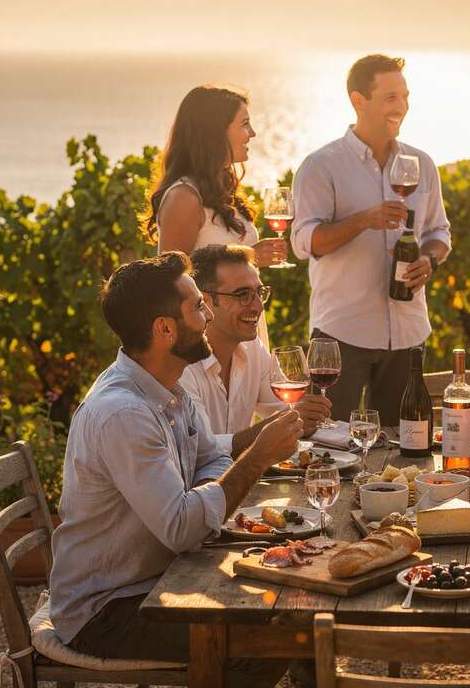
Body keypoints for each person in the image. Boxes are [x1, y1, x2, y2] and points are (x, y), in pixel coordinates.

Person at [48, 251, 300, 685]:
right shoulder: (123, 414)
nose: (206, 316)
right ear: (165, 329)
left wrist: (202, 495)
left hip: (158, 576)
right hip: (108, 608)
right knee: (275, 633)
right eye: (196, 307)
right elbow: (183, 529)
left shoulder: (170, 387)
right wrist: (257, 457)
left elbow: (211, 458)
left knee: (293, 602)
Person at [291, 54, 452, 423]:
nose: (402, 107)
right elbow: (306, 242)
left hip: (409, 332)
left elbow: (439, 232)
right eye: (391, 98)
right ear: (357, 100)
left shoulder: (421, 164)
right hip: (341, 336)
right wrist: (365, 219)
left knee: (403, 448)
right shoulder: (321, 166)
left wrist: (429, 259)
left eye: (405, 97)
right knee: (329, 443)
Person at [144, 85, 287, 345]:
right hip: (208, 340)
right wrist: (250, 259)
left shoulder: (221, 190)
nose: (252, 133)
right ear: (215, 132)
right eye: (244, 124)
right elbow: (171, 283)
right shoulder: (184, 198)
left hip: (242, 330)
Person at [180, 243, 332, 453]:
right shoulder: (180, 365)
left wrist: (306, 416)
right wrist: (280, 424)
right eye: (243, 295)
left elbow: (283, 412)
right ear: (205, 301)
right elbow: (200, 449)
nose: (258, 306)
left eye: (260, 292)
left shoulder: (252, 348)